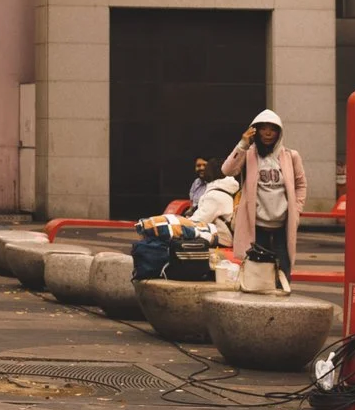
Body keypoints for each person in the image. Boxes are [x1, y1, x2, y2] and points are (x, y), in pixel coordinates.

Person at [220, 109, 308, 285]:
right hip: (257, 225)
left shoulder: (291, 156)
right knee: (258, 274)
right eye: (263, 129)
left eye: (273, 129)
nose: (268, 134)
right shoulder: (250, 154)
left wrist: (296, 210)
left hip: (282, 225)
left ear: (279, 132)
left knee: (283, 273)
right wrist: (242, 144)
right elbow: (227, 170)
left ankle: (282, 307)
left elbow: (301, 185)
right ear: (256, 130)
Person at [132, 175, 237, 280]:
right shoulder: (223, 191)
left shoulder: (216, 195)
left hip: (221, 234)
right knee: (175, 227)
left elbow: (200, 219)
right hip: (217, 230)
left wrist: (184, 221)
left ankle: (147, 230)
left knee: (178, 228)